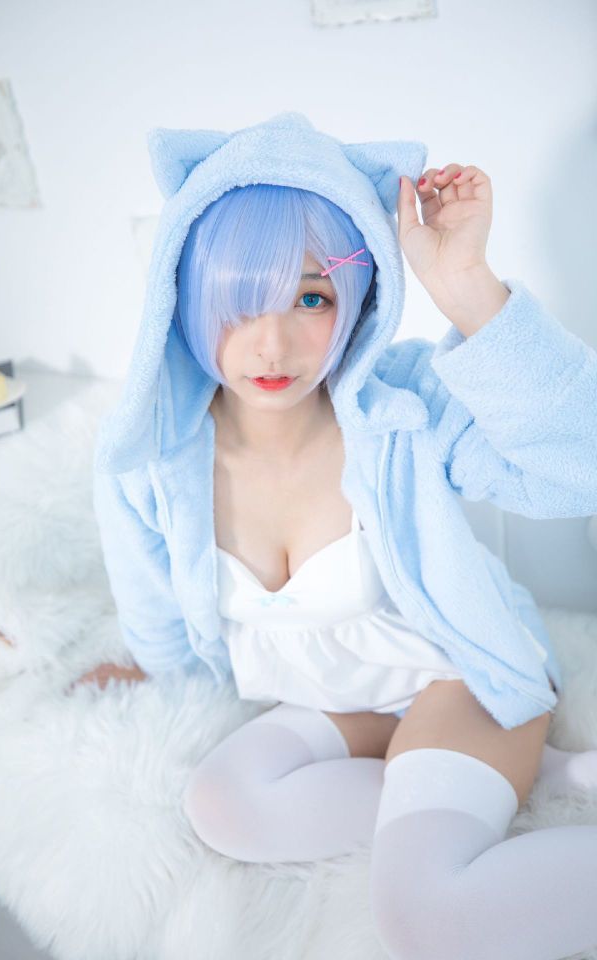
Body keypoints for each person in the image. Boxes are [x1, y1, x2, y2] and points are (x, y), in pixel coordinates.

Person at [81, 113, 597, 958]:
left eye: (312, 297)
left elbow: (582, 460)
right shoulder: (151, 457)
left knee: (427, 914)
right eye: (238, 302)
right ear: (185, 297)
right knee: (221, 804)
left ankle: (467, 781)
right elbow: (159, 614)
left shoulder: (402, 408)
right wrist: (144, 667)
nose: (273, 344)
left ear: (356, 299)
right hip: (344, 703)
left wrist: (466, 286)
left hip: (455, 678)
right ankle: (493, 786)